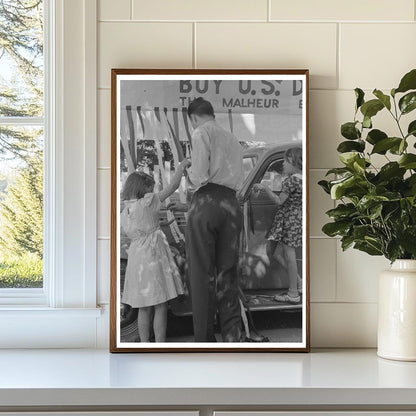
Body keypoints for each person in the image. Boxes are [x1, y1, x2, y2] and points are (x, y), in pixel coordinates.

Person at [184, 97, 244, 343]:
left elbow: (199, 175)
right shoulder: (233, 139)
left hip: (207, 202)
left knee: (201, 274)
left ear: (193, 118)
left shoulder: (200, 133)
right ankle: (233, 337)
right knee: (228, 273)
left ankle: (204, 341)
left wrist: (187, 171)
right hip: (231, 203)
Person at [120, 159, 190, 342]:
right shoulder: (148, 201)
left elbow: (141, 229)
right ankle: (160, 343)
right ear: (144, 189)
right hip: (153, 255)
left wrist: (159, 224)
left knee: (143, 306)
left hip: (137, 257)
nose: (152, 191)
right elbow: (173, 186)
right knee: (160, 304)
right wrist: (181, 166)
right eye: (150, 188)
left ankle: (144, 343)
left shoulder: (126, 209)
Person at [253, 147, 303, 303]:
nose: (283, 164)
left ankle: (293, 293)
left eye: (286, 161)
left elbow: (279, 201)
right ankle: (299, 283)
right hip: (294, 218)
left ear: (293, 162)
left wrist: (265, 187)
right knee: (276, 253)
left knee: (289, 255)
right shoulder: (300, 178)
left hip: (289, 220)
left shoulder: (292, 180)